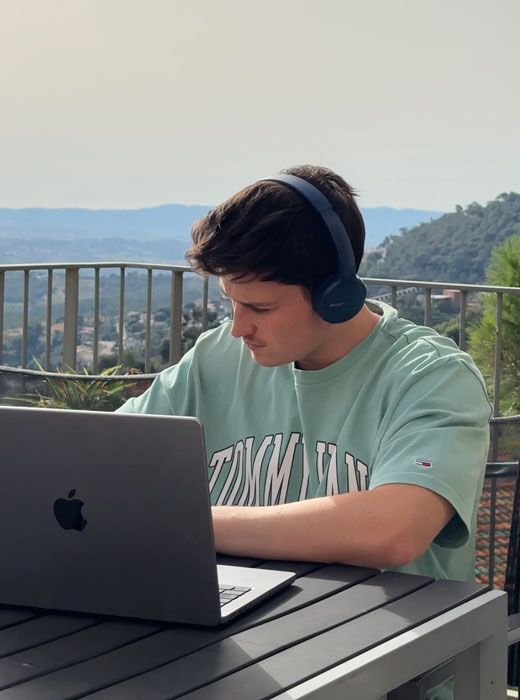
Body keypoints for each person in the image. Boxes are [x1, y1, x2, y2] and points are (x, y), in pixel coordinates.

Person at [117, 164, 491, 581]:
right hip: (231, 619)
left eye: (261, 308)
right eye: (231, 303)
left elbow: (395, 530)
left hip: (383, 635)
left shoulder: (432, 377)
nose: (239, 327)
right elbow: (101, 456)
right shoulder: (217, 354)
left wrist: (182, 523)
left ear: (336, 297)